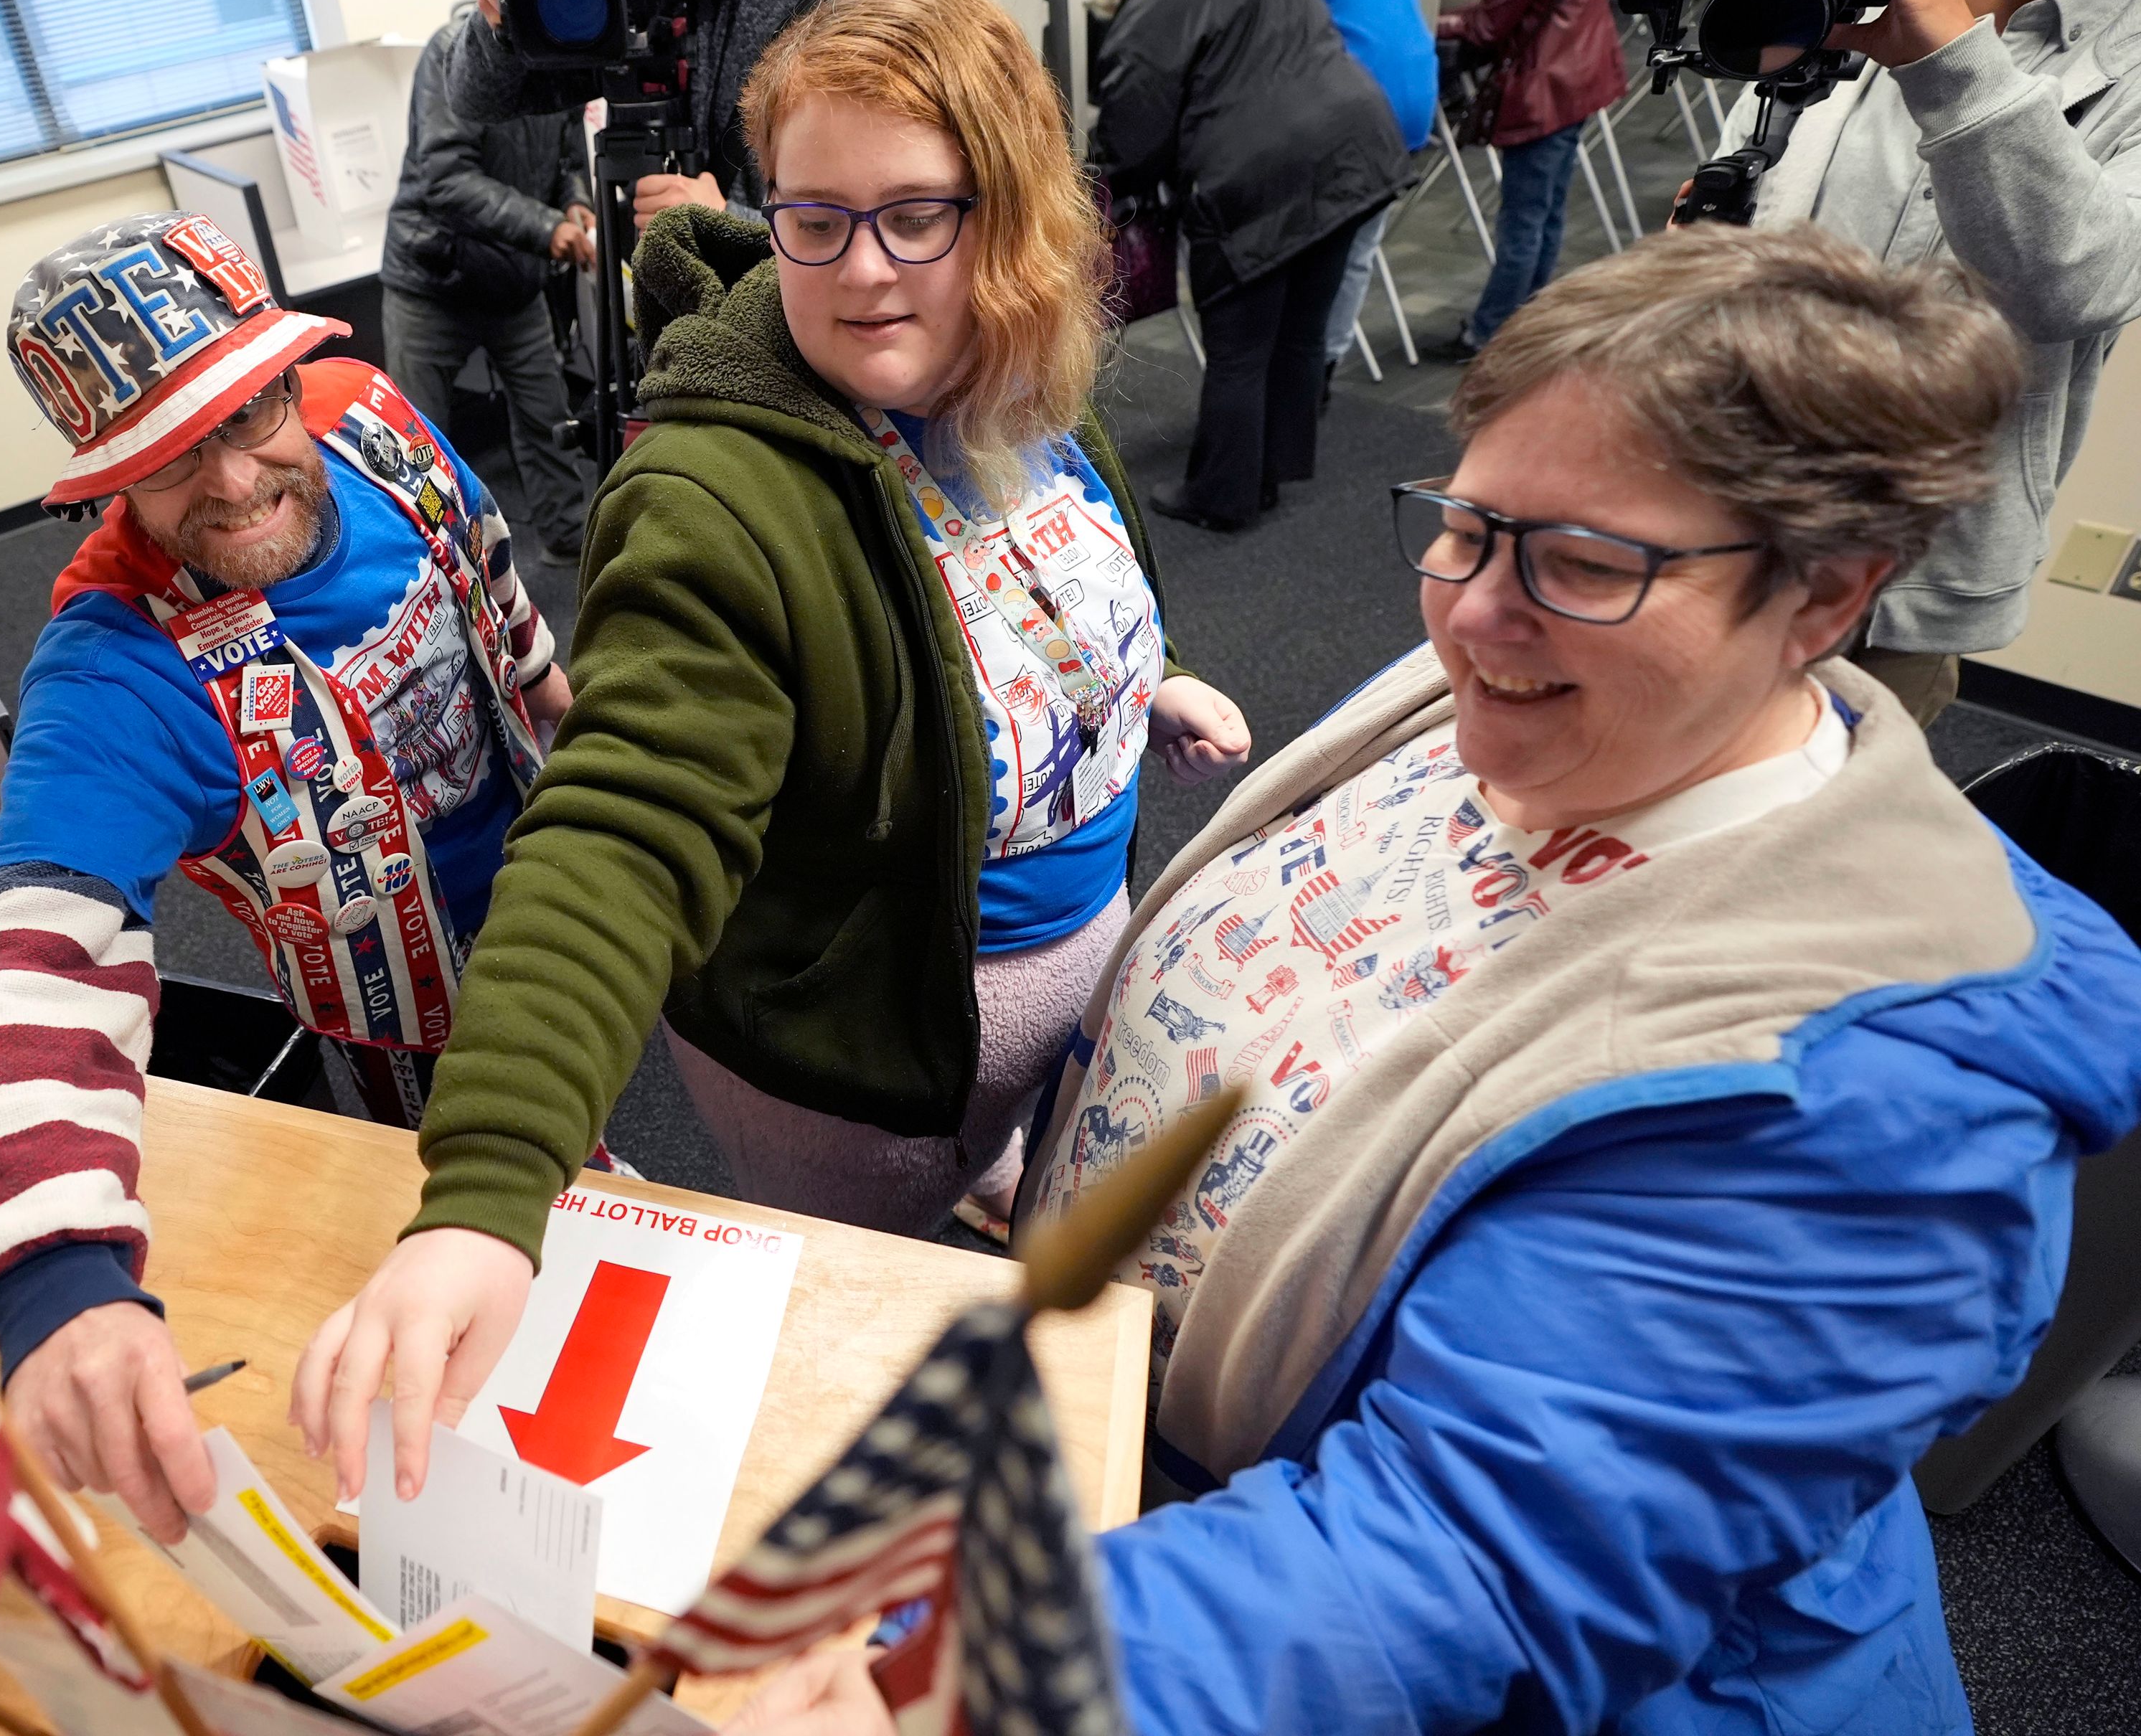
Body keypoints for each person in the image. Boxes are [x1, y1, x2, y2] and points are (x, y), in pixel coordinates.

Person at [730, 226, 2141, 1735]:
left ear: (1825, 597)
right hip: (1161, 1474)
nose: (1471, 612)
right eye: (1464, 524)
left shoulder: (1867, 1111)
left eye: (1586, 561)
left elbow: (1457, 1555)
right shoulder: (1536, 701)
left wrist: (957, 1672)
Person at [294, 0, 1253, 1503]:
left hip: (1045, 996)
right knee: (870, 1335)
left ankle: (998, 1167)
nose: (861, 270)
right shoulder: (711, 504)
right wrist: (486, 1197)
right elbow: (619, 827)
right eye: (813, 215)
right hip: (860, 1065)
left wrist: (1149, 673)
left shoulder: (1017, 378)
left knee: (1017, 1190)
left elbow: (1040, 581)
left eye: (914, 214)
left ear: (1007, 216)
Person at [0, 211, 571, 1542]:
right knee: (521, 1283)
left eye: (248, 409)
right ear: (110, 482)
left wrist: (554, 705)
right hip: (414, 1028)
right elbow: (21, 961)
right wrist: (55, 1282)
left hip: (565, 883)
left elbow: (487, 578)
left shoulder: (371, 418)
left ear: (290, 375)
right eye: (163, 458)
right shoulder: (116, 665)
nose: (228, 479)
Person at [1726, 0, 2141, 725]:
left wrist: (1953, 61)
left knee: (1810, 839)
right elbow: (1747, 194)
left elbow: (2079, 283)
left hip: (1900, 573)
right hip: (1720, 505)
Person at [1087, 0, 1411, 531]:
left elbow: (1132, 149)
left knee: (1238, 350)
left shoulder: (1145, 16)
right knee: (1299, 332)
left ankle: (1222, 496)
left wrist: (1089, 187)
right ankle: (1272, 471)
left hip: (1252, 185)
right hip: (1354, 152)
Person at [451, 0, 868, 228]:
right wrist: (501, 24)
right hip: (666, 328)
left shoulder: (868, 4)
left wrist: (729, 227)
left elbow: (885, 237)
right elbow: (477, 99)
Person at [383, 0, 598, 569]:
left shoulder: (563, 62)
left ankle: (569, 538)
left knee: (549, 421)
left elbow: (568, 160)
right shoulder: (454, 52)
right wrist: (546, 226)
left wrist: (575, 203)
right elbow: (446, 177)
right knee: (415, 446)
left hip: (514, 282)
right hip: (433, 281)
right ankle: (424, 570)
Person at [1435, 0, 1627, 359]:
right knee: (1546, 214)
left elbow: (1489, 25)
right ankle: (1524, 325)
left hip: (1545, 88)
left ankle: (1490, 335)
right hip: (1576, 79)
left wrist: (1423, 21)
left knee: (1523, 223)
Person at [1256, 0, 1439, 377]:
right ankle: (1325, 366)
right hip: (1409, 124)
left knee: (1296, 258)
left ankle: (1308, 371)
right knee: (1357, 251)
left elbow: (1267, 68)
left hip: (1353, 135)